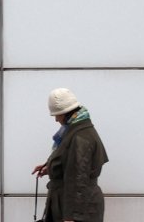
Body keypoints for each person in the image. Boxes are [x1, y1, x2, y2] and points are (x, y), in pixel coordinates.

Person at [31, 88, 107, 222]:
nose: (55, 119)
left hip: (76, 210)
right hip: (72, 205)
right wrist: (52, 168)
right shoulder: (76, 131)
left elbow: (78, 179)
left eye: (57, 115)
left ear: (65, 113)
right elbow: (72, 165)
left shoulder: (80, 136)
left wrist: (70, 217)